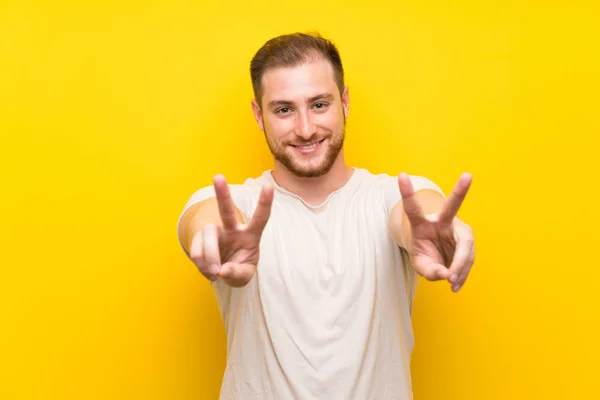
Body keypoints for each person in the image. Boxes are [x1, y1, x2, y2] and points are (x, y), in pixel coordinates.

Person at [177, 32, 475, 400]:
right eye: (284, 109)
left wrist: (432, 233)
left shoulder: (392, 197)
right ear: (259, 115)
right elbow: (205, 221)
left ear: (345, 102)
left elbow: (416, 215)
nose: (305, 129)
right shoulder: (233, 205)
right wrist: (215, 237)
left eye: (319, 104)